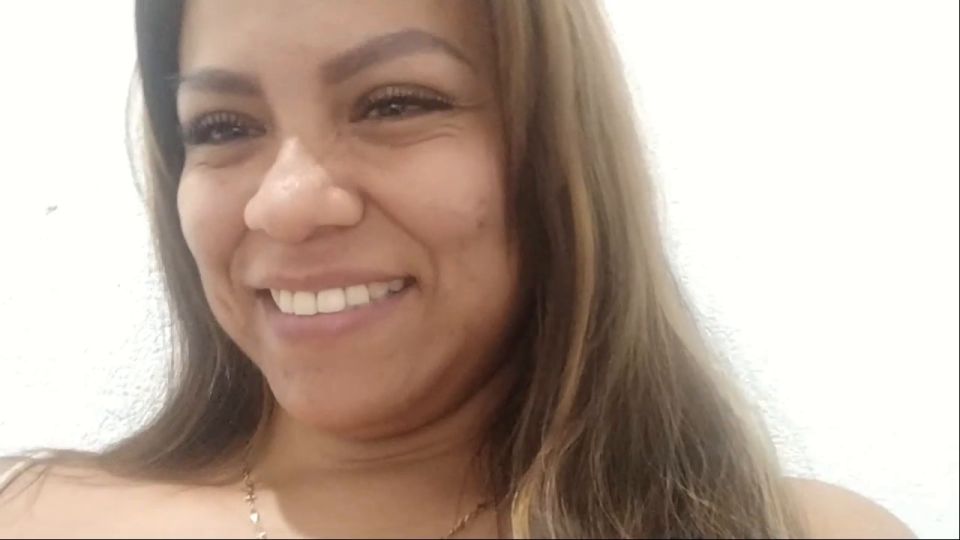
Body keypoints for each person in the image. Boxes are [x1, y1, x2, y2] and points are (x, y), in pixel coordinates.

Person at [0, 0, 915, 538]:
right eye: (224, 127)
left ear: (555, 158)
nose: (284, 203)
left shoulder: (795, 531)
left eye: (394, 104)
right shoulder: (35, 517)